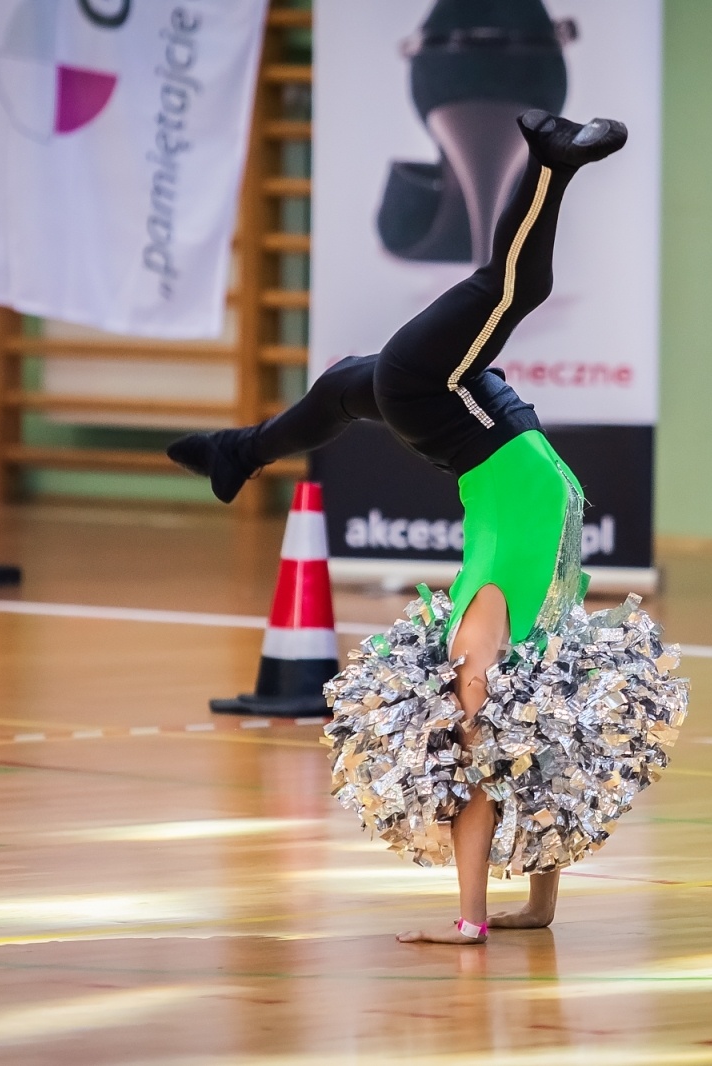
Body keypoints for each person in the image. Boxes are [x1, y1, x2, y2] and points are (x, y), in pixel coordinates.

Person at [169, 109, 684, 945]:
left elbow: (511, 760)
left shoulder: (507, 639)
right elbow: (509, 762)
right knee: (495, 299)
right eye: (459, 709)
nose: (453, 716)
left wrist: (484, 918)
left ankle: (242, 453)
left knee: (350, 384)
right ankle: (549, 164)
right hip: (478, 429)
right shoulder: (496, 643)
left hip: (483, 435)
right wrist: (506, 914)